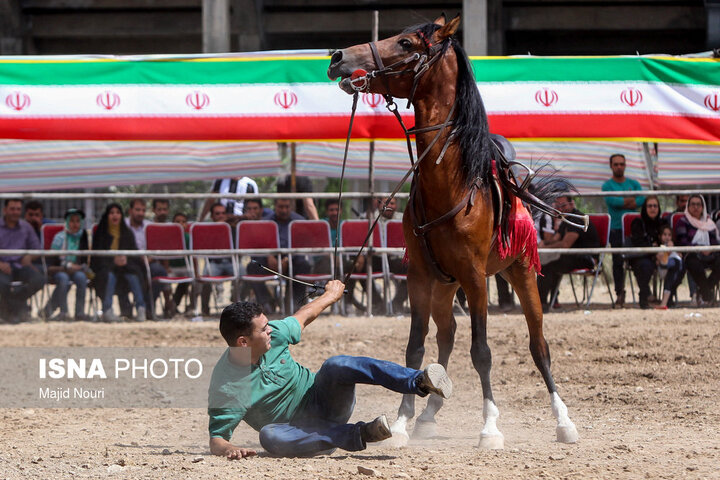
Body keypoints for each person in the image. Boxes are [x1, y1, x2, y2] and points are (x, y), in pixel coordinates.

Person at [207, 279, 453, 458]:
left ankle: (419, 381)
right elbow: (217, 439)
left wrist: (330, 296)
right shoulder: (227, 386)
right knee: (269, 436)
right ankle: (360, 434)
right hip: (300, 432)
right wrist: (230, 449)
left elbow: (303, 316)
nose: (270, 329)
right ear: (243, 342)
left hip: (325, 400)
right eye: (263, 329)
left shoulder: (274, 334)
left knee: (336, 364)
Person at [537, 196, 600, 312]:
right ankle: (544, 302)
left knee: (547, 265)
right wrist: (542, 243)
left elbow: (565, 244)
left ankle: (542, 304)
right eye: (558, 206)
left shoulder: (577, 219)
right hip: (573, 256)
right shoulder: (567, 218)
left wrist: (545, 247)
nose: (561, 209)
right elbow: (556, 239)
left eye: (563, 205)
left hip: (587, 258)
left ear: (572, 204)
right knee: (546, 263)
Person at [247, 198, 309, 313]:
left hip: (292, 259)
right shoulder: (265, 222)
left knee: (303, 265)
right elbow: (260, 243)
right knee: (252, 267)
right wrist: (269, 255)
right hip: (269, 258)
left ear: (291, 207)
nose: (284, 210)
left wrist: (287, 259)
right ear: (275, 207)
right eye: (281, 207)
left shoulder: (299, 221)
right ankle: (266, 302)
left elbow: (301, 244)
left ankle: (295, 303)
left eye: (286, 207)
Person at [91, 203, 147, 322]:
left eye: (117, 213)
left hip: (125, 267)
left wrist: (125, 259)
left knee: (134, 274)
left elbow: (134, 254)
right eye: (112, 213)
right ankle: (107, 310)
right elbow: (96, 258)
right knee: (108, 275)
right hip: (106, 268)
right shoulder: (100, 233)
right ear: (107, 216)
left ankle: (141, 308)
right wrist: (112, 260)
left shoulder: (127, 233)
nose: (115, 216)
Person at [602, 153, 644, 308]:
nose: (619, 167)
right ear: (611, 166)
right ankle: (619, 292)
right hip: (616, 229)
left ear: (625, 165)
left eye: (622, 164)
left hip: (635, 229)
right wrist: (630, 201)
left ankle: (645, 293)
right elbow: (612, 201)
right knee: (618, 261)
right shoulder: (607, 186)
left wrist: (623, 202)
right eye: (616, 164)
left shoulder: (635, 183)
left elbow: (642, 199)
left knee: (640, 258)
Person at [0, 199, 44, 323]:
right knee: (2, 284)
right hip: (3, 267)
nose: (15, 212)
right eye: (12, 209)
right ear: (5, 210)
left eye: (18, 209)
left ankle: (11, 307)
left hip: (21, 265)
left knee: (39, 280)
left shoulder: (26, 227)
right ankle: (19, 311)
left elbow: (37, 248)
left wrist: (29, 256)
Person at [44, 208, 90, 321]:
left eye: (78, 221)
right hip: (59, 269)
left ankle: (79, 313)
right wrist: (67, 266)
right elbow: (51, 263)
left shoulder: (83, 238)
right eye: (72, 221)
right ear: (67, 222)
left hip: (77, 271)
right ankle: (63, 312)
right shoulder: (59, 238)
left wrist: (77, 267)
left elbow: (84, 260)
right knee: (64, 279)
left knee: (81, 278)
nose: (75, 224)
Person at [674, 194, 720, 306]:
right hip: (692, 254)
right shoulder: (683, 221)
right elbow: (683, 242)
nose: (696, 207)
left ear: (703, 207)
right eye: (693, 204)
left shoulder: (709, 223)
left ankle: (703, 292)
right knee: (694, 263)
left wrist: (710, 250)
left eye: (698, 204)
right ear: (688, 207)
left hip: (709, 254)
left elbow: (715, 242)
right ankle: (707, 295)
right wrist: (699, 249)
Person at [628, 195, 667, 309]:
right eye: (649, 206)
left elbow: (667, 239)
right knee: (644, 265)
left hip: (660, 256)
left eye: (655, 206)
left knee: (675, 263)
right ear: (645, 208)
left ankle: (668, 299)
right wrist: (653, 248)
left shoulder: (663, 222)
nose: (653, 209)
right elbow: (638, 242)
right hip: (642, 256)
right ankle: (644, 297)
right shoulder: (638, 222)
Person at [200, 203, 238, 316]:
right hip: (214, 263)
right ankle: (204, 309)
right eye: (217, 214)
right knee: (206, 276)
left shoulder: (234, 228)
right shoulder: (207, 229)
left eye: (223, 213)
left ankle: (237, 304)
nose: (221, 216)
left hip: (232, 262)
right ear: (212, 216)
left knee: (242, 274)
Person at [655, 224, 683, 310]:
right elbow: (657, 259)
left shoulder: (674, 246)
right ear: (660, 236)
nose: (667, 237)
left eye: (669, 235)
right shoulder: (656, 247)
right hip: (663, 269)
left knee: (675, 264)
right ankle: (665, 302)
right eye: (664, 234)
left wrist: (671, 249)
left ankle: (664, 302)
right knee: (671, 267)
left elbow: (680, 256)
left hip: (675, 268)